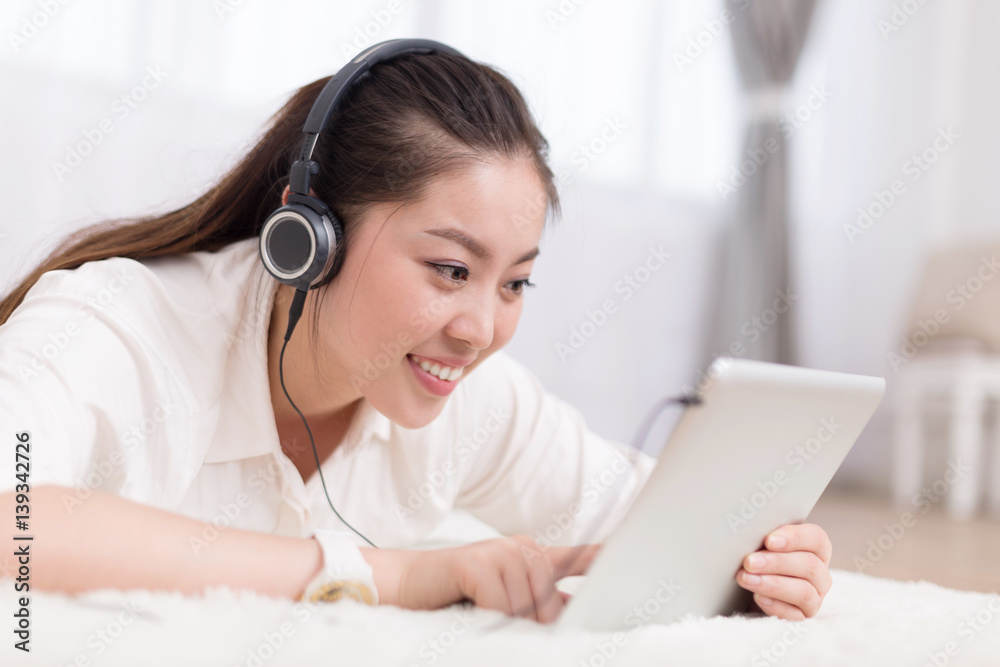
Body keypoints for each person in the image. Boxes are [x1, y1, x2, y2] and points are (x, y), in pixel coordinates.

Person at [0, 40, 832, 625]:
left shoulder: (468, 395)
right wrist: (389, 577)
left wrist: (770, 556)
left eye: (516, 283)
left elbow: (656, 517)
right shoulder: (115, 329)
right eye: (449, 269)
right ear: (307, 239)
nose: (481, 330)